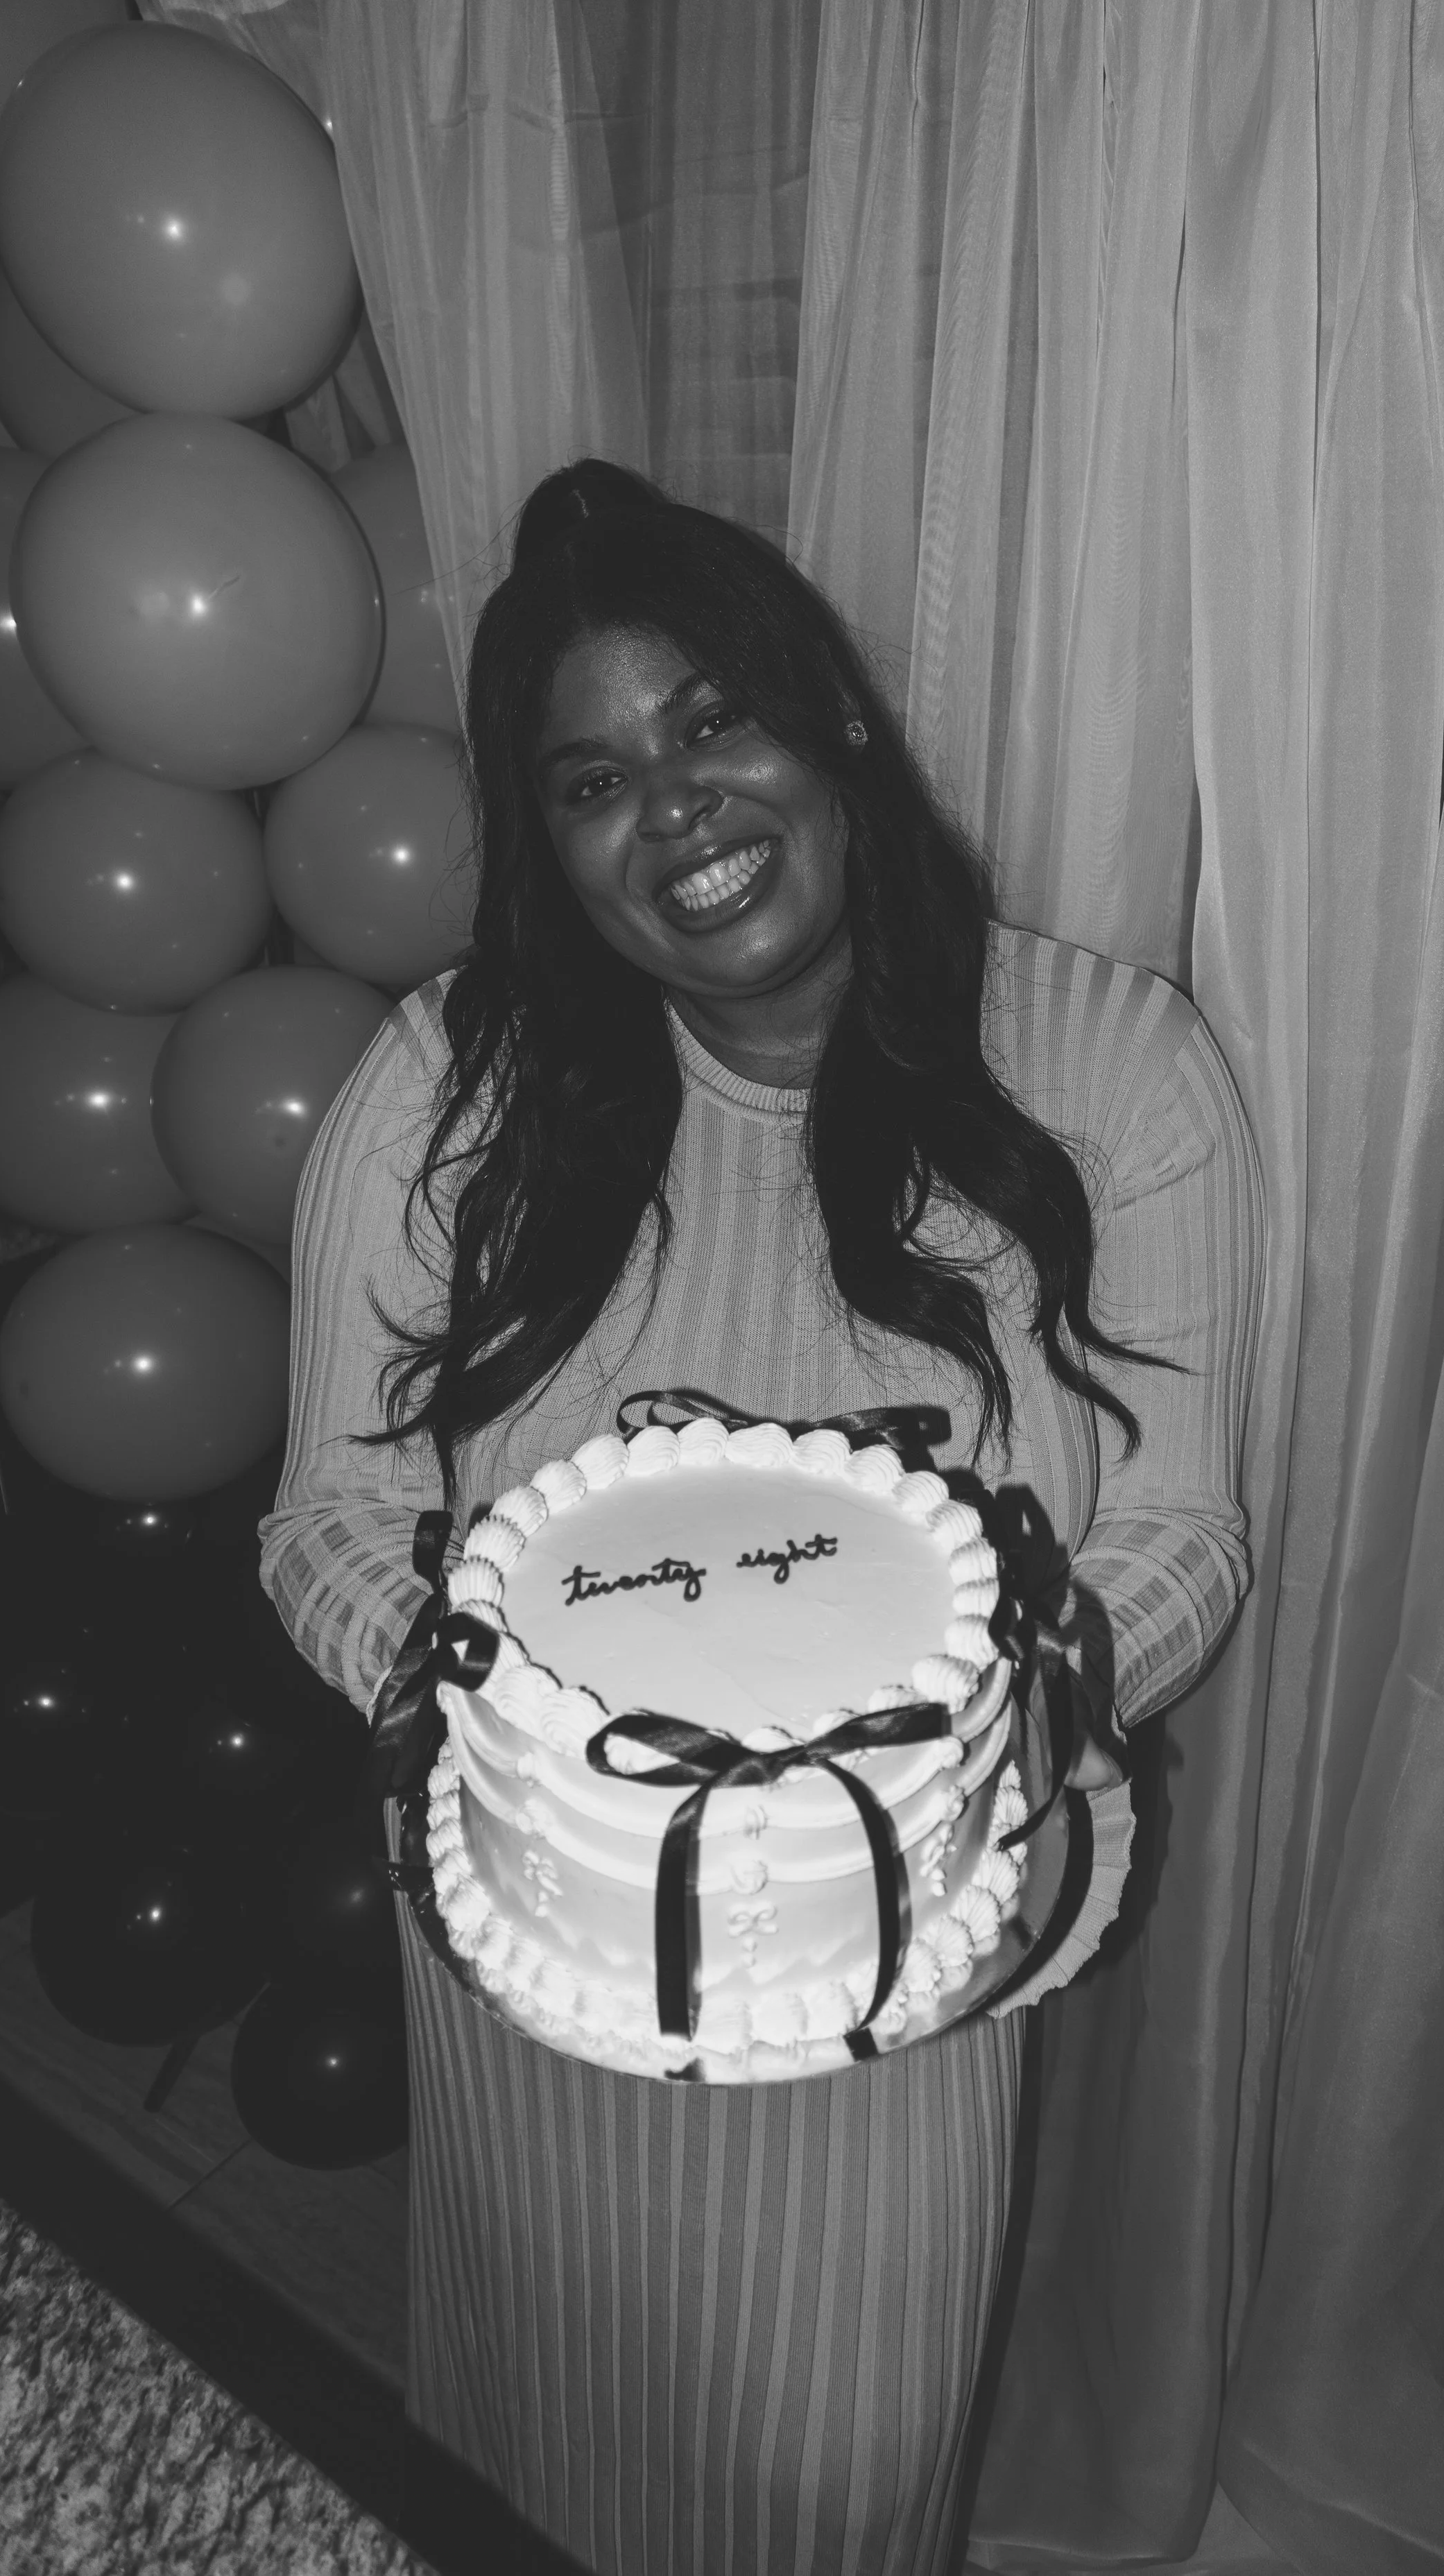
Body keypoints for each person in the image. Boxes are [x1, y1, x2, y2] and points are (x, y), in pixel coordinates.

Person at [261, 460, 1262, 2576]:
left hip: (890, 1962)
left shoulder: (1107, 1066)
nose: (676, 808)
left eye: (714, 719)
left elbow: (1185, 1518)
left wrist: (960, 1733)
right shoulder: (449, 1083)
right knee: (535, 2438)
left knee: (831, 2472)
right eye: (591, 778)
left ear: (838, 726)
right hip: (541, 1947)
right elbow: (328, 1506)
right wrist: (473, 1702)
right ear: (548, 847)